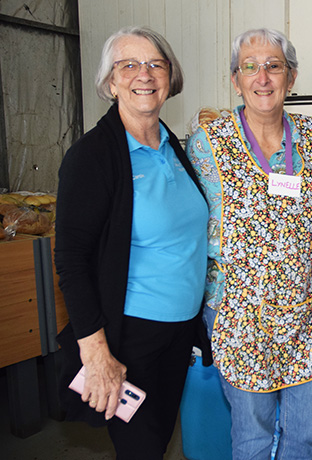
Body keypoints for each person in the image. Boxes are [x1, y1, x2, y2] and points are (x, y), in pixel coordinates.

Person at [55, 26, 209, 459]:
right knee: (140, 449)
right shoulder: (93, 156)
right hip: (130, 336)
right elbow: (70, 259)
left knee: (156, 443)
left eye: (156, 64)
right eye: (129, 65)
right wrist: (95, 351)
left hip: (179, 332)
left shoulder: (173, 148)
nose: (144, 74)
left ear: (169, 78)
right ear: (110, 82)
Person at [185, 28, 312, 460]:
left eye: (274, 66)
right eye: (250, 67)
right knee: (252, 437)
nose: (262, 78)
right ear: (236, 80)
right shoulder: (207, 144)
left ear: (292, 77)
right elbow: (187, 227)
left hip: (306, 313)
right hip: (239, 315)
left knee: (307, 432)